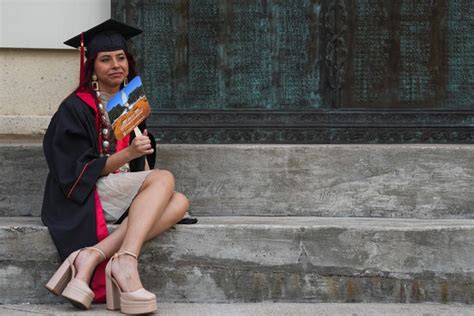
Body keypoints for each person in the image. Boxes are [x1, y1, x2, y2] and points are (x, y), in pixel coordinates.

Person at [41, 19, 189, 314]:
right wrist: (127, 155)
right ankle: (125, 261)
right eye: (105, 59)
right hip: (85, 193)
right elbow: (71, 171)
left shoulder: (128, 102)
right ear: (92, 66)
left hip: (118, 190)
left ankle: (94, 256)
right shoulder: (76, 106)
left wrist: (141, 152)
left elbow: (139, 167)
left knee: (180, 202)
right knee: (164, 180)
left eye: (121, 57)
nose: (115, 65)